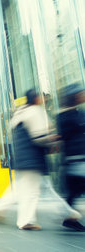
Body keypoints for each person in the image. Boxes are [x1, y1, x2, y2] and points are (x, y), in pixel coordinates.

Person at [0, 89, 83, 231]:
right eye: (41, 96)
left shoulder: (19, 113)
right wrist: (53, 140)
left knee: (22, 188)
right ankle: (26, 221)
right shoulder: (35, 111)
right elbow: (38, 137)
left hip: (23, 159)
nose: (43, 98)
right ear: (35, 99)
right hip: (32, 159)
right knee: (32, 192)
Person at [57, 84, 85, 231]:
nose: (83, 96)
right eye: (81, 93)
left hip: (79, 157)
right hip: (75, 158)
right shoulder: (66, 116)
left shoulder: (78, 113)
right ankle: (68, 216)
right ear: (74, 97)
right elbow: (64, 137)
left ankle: (68, 217)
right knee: (75, 190)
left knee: (74, 191)